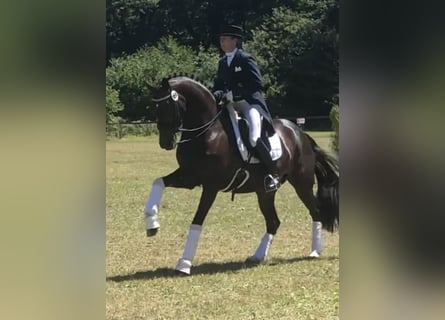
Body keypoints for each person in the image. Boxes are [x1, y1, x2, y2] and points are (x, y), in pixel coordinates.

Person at [212, 25, 280, 192]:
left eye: (224, 39)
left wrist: (235, 92)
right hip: (230, 104)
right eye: (220, 39)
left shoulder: (245, 58)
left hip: (250, 103)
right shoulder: (222, 62)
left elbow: (257, 84)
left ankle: (273, 175)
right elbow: (219, 84)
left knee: (254, 138)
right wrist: (218, 93)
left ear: (235, 40)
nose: (221, 42)